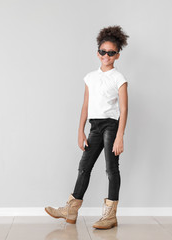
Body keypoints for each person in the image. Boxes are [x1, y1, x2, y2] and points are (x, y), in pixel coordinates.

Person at [45, 25, 129, 230]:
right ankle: (71, 210)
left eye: (111, 52)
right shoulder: (90, 77)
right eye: (103, 52)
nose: (106, 55)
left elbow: (124, 109)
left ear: (117, 55)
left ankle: (110, 215)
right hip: (94, 127)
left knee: (111, 169)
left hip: (111, 126)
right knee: (84, 167)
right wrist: (80, 131)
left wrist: (120, 136)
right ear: (97, 52)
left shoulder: (119, 78)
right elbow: (85, 105)